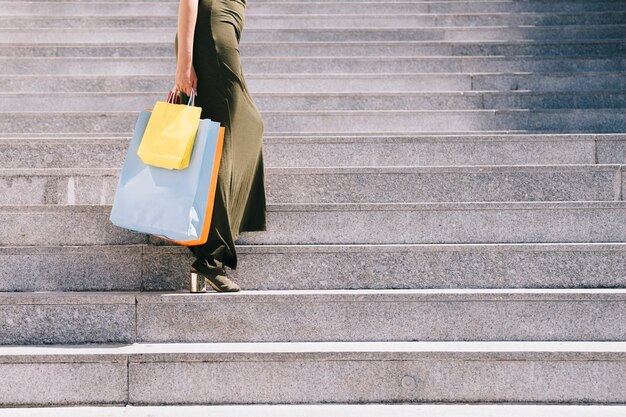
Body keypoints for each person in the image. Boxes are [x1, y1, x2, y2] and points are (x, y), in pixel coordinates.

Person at [174, 0, 267, 293]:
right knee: (235, 134)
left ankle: (208, 252)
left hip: (220, 32)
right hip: (212, 34)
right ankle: (210, 257)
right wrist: (184, 64)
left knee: (229, 136)